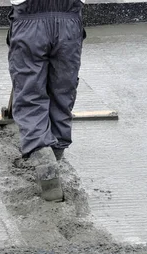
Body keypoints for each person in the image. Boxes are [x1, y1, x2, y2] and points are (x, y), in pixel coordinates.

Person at [7, 0, 86, 202]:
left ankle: (43, 155)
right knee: (63, 90)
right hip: (68, 20)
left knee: (30, 93)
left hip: (29, 20)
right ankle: (56, 152)